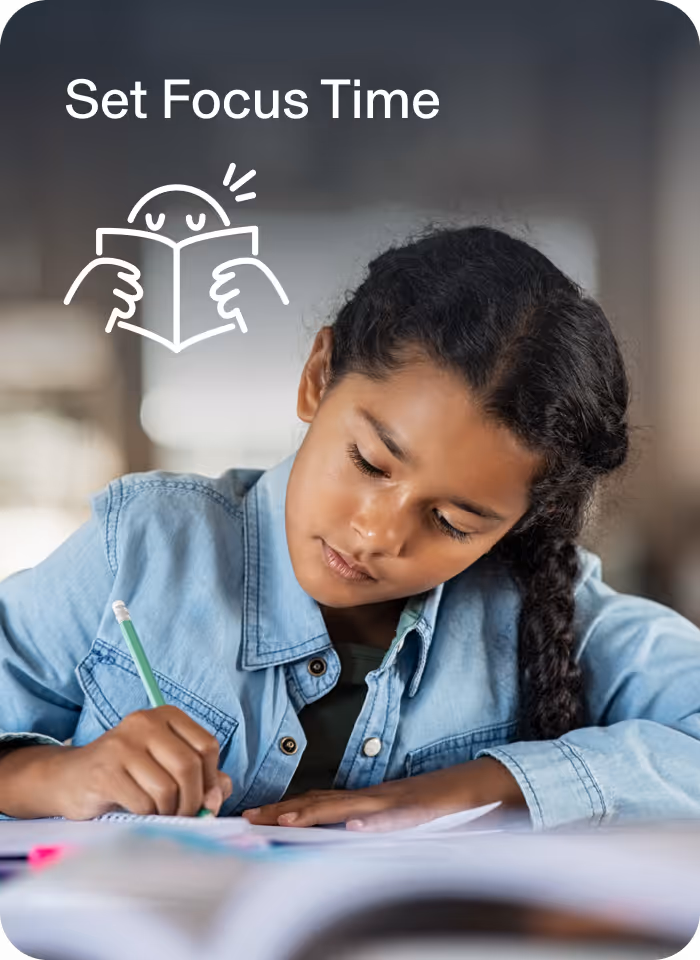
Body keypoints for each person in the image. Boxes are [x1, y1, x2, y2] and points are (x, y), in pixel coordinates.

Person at [1, 225, 699, 829]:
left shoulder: (549, 611)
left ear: (524, 522)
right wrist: (49, 777)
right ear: (317, 376)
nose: (376, 534)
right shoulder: (145, 546)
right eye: (369, 462)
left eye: (453, 521)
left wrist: (475, 789)